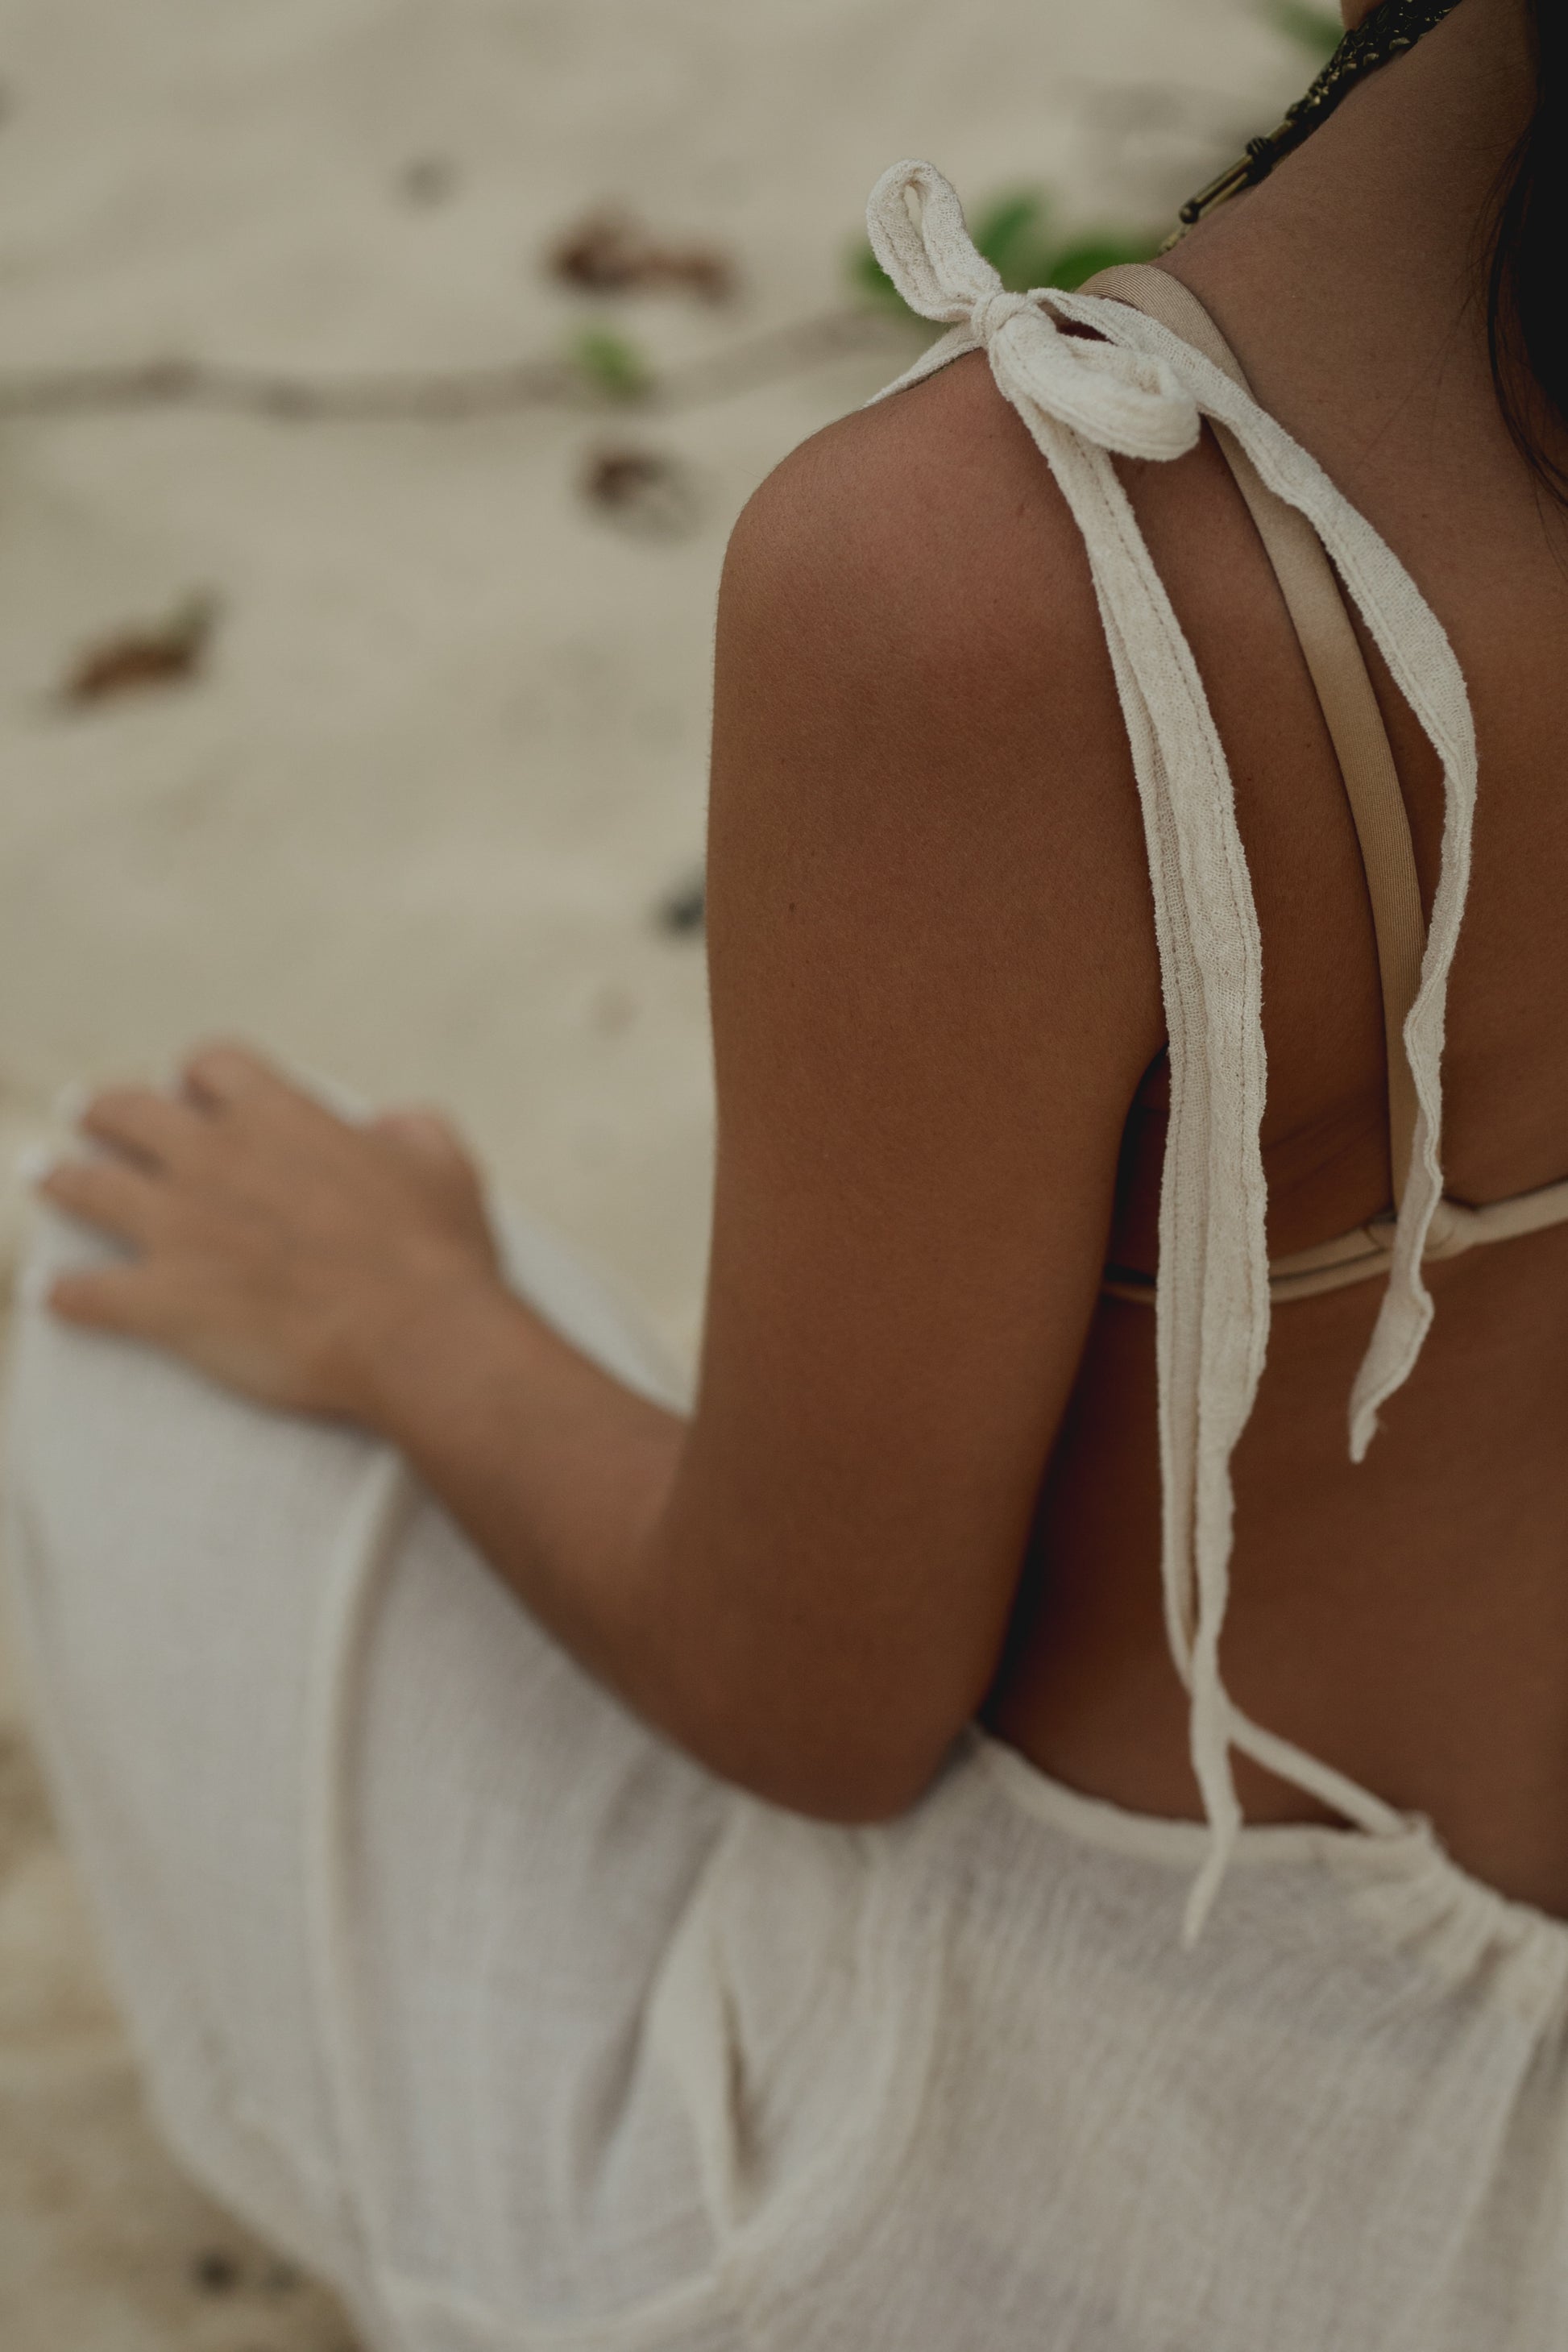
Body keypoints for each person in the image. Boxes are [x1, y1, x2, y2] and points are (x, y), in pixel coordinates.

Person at [7, 0, 1568, 2340]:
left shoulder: (1027, 564)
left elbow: (814, 1701)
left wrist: (408, 1319)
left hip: (1072, 2190)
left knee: (107, 1229)